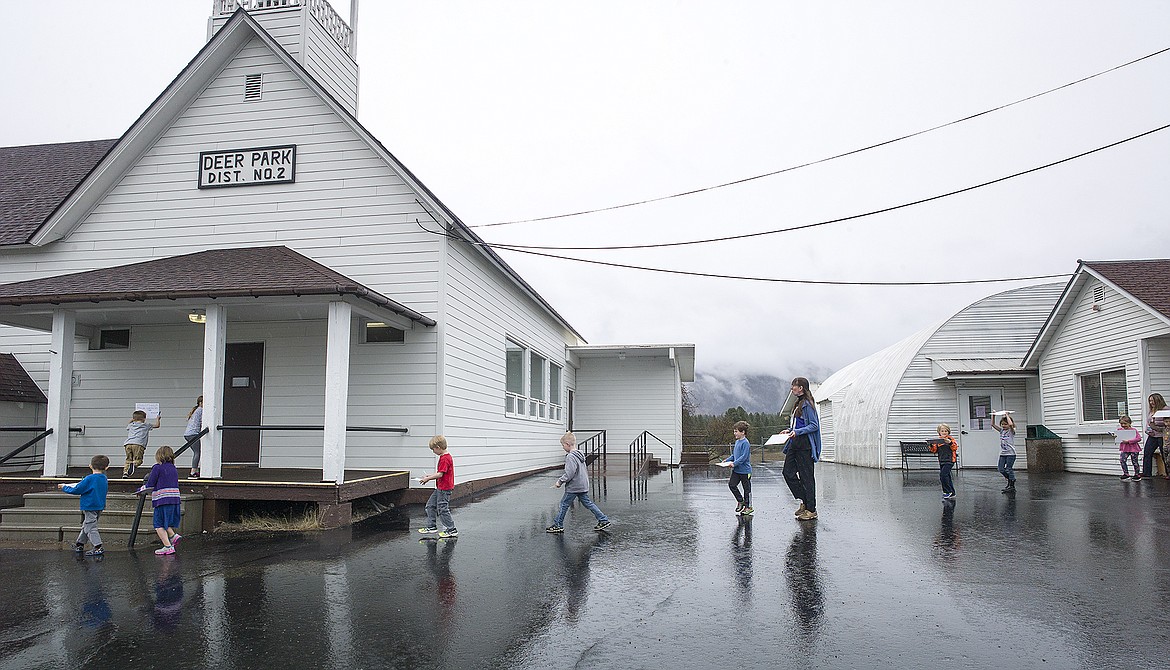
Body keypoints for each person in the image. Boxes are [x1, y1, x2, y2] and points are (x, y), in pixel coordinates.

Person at [546, 432, 611, 533]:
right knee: (588, 503)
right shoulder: (580, 455)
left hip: (574, 486)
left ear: (567, 444)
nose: (563, 447)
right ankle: (603, 519)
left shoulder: (570, 457)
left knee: (564, 504)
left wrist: (560, 481)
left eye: (562, 445)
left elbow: (570, 473)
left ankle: (558, 525)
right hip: (582, 485)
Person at [781, 377, 821, 520]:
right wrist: (789, 430)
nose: (792, 388)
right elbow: (798, 424)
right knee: (787, 472)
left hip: (805, 445)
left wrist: (797, 432)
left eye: (794, 386)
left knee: (806, 477)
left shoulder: (807, 404)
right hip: (794, 443)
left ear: (801, 388)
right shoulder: (798, 403)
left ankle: (811, 509)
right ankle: (805, 500)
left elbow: (814, 425)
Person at [59, 454, 110, 557]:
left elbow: (77, 489)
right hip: (100, 505)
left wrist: (64, 487)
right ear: (106, 467)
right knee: (87, 525)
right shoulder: (104, 478)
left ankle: (98, 547)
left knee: (91, 527)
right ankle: (80, 544)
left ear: (90, 466)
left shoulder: (89, 478)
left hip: (89, 505)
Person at [138, 446, 182, 555]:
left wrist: (140, 489)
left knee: (158, 524)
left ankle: (168, 546)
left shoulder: (157, 468)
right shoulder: (173, 468)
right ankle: (173, 536)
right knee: (166, 521)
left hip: (162, 499)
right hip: (175, 499)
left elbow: (151, 483)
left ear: (159, 456)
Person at [417, 435, 459, 539]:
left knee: (442, 509)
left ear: (438, 447)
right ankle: (431, 526)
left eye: (433, 449)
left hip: (444, 489)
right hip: (440, 487)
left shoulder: (445, 458)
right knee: (430, 505)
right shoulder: (444, 457)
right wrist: (429, 476)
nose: (433, 452)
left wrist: (428, 479)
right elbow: (440, 473)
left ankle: (451, 529)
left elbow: (440, 474)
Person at [721, 420, 753, 515]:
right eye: (734, 431)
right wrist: (726, 461)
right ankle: (740, 501)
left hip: (745, 471)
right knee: (732, 485)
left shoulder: (746, 443)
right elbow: (734, 455)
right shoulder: (737, 442)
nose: (734, 433)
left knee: (747, 489)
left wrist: (734, 464)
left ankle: (748, 507)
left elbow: (743, 457)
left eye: (736, 431)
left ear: (743, 432)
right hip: (737, 471)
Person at [123, 409, 161, 478]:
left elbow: (128, 424)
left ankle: (125, 473)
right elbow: (157, 425)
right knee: (138, 460)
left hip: (128, 444)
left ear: (133, 418)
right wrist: (158, 418)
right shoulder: (146, 425)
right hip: (138, 444)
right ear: (144, 419)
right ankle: (134, 465)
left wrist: (133, 420)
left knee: (128, 459)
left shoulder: (131, 425)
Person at [1140, 393, 1167, 481]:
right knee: (1147, 453)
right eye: (1150, 401)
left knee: (1165, 454)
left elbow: (1167, 423)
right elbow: (1149, 422)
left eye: (1153, 400)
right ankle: (1146, 473)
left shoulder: (1165, 409)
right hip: (1152, 435)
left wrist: (1158, 427)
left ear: (1158, 400)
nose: (1151, 402)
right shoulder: (1151, 410)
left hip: (1162, 436)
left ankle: (1168, 472)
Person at [929, 424, 959, 500]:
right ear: (939, 432)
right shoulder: (937, 441)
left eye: (946, 431)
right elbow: (934, 451)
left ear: (948, 432)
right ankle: (952, 492)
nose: (944, 432)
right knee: (947, 476)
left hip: (949, 460)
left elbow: (955, 447)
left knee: (943, 475)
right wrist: (931, 445)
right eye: (942, 431)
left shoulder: (951, 439)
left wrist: (950, 443)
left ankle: (947, 491)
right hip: (942, 460)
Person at [995, 413, 1017, 493]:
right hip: (1003, 453)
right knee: (1001, 469)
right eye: (1002, 424)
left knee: (1008, 469)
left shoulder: (1011, 431)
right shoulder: (1002, 431)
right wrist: (993, 415)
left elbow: (1011, 424)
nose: (1004, 426)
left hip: (1011, 453)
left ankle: (1011, 485)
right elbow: (993, 425)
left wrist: (1007, 415)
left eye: (1005, 424)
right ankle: (1010, 479)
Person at [1117, 415, 1142, 481]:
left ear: (1129, 423)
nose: (1123, 425)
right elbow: (1118, 437)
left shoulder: (1133, 430)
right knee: (1122, 460)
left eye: (1125, 423)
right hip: (1125, 448)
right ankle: (1126, 474)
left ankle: (1137, 474)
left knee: (1134, 461)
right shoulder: (1119, 430)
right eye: (1121, 424)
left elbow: (1139, 438)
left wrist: (1129, 441)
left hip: (1134, 448)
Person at [183, 396, 203, 479]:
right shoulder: (201, 410)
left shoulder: (195, 410)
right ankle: (193, 472)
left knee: (196, 452)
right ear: (201, 403)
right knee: (197, 452)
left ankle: (196, 471)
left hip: (187, 434)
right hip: (193, 434)